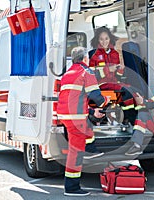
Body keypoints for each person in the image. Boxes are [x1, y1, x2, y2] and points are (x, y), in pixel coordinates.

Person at [57, 46, 110, 196]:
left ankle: (92, 149)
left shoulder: (67, 74)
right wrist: (106, 101)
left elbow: (76, 98)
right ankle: (72, 187)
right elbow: (96, 97)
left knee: (87, 126)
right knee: (76, 151)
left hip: (66, 115)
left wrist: (92, 112)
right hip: (76, 117)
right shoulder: (86, 71)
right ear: (85, 58)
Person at [89, 26, 138, 124]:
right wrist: (108, 69)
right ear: (97, 40)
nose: (104, 42)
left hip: (113, 83)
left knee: (135, 91)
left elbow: (118, 77)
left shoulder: (115, 54)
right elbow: (91, 75)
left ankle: (129, 118)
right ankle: (129, 119)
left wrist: (120, 70)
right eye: (101, 39)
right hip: (101, 85)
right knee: (127, 93)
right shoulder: (93, 54)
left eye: (106, 39)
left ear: (110, 39)